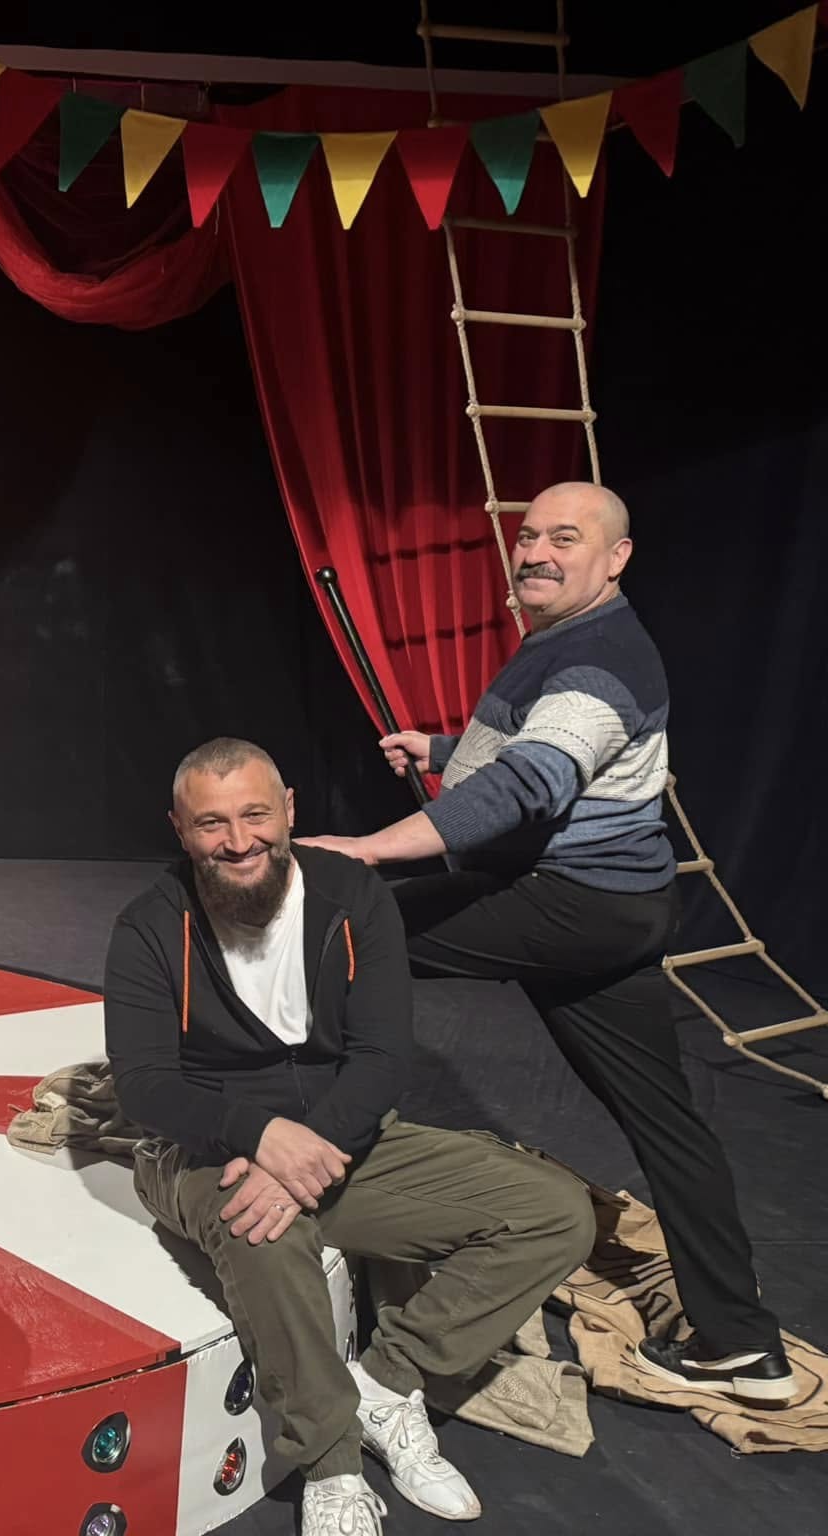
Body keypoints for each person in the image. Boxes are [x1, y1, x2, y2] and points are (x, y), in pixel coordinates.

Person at [300, 482, 792, 1405]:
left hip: (566, 906)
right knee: (666, 1122)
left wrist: (371, 849)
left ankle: (300, 1170)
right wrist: (443, 749)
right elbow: (547, 750)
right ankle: (743, 1346)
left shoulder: (599, 658)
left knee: (335, 936)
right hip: (617, 907)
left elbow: (534, 780)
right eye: (528, 536)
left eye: (565, 538)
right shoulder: (578, 640)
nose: (535, 552)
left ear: (617, 557)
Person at [107, 738, 595, 1536]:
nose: (238, 840)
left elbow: (382, 1057)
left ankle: (386, 1384)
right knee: (265, 1232)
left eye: (256, 815)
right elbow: (144, 1085)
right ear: (179, 829)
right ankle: (330, 1461)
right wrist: (259, 1135)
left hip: (340, 1134)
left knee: (556, 1212)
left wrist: (304, 1152)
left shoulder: (351, 895)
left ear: (290, 810)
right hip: (202, 1146)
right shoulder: (150, 925)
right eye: (211, 823)